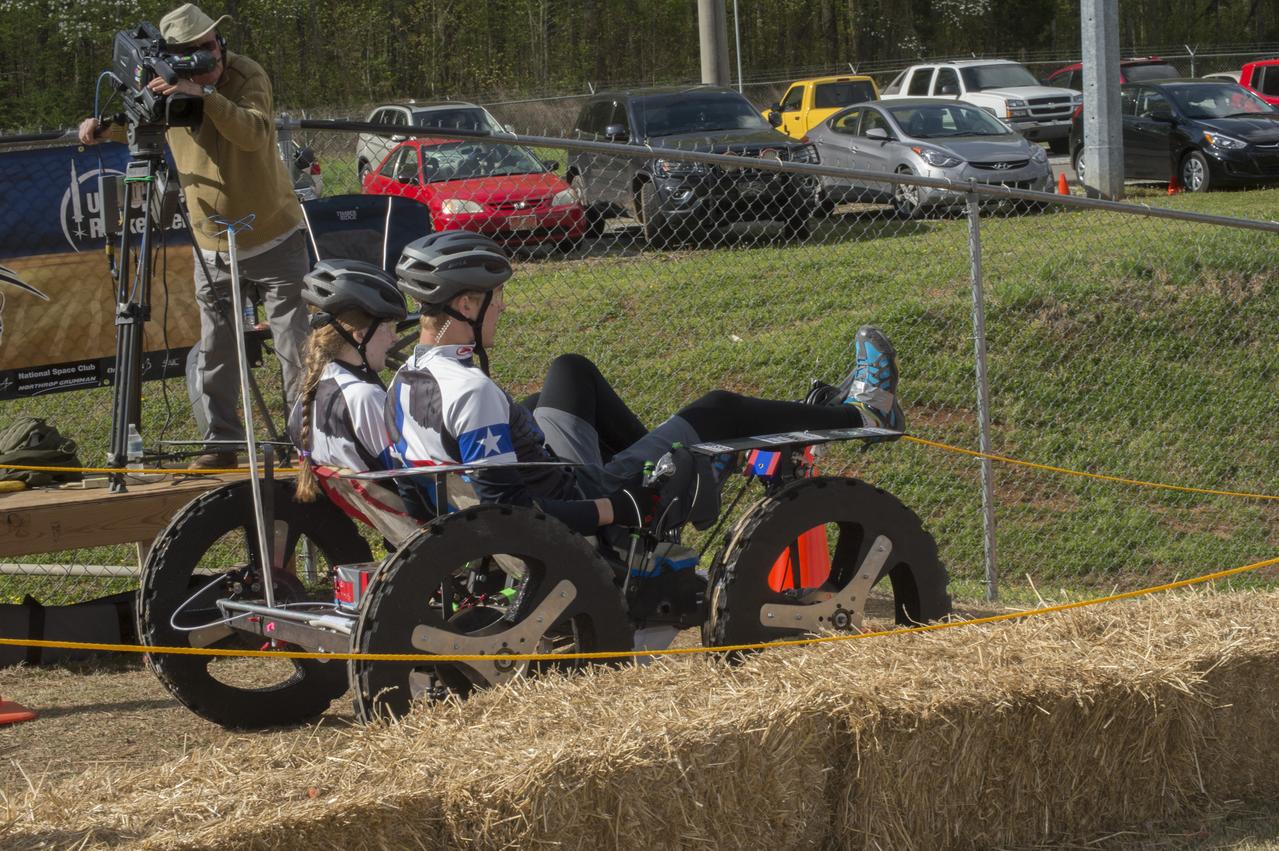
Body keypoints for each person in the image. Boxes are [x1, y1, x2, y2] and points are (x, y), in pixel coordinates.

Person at [385, 230, 904, 537]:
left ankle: (674, 469)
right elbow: (514, 517)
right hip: (581, 498)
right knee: (719, 408)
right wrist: (618, 507)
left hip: (536, 483)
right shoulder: (471, 391)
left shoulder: (404, 385)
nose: (502, 305)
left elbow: (421, 494)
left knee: (568, 374)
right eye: (495, 296)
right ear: (467, 305)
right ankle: (868, 412)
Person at [78, 3, 310, 469]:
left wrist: (202, 94)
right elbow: (140, 116)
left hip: (273, 234)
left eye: (211, 45)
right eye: (193, 50)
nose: (209, 55)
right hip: (213, 243)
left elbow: (254, 132)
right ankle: (222, 443)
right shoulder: (161, 78)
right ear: (173, 54)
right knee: (216, 348)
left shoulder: (246, 75)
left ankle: (302, 445)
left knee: (294, 349)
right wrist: (101, 128)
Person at [287, 260, 424, 544]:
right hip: (426, 528)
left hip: (387, 520)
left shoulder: (309, 394)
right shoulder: (362, 397)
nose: (392, 337)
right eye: (386, 327)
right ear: (360, 334)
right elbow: (412, 481)